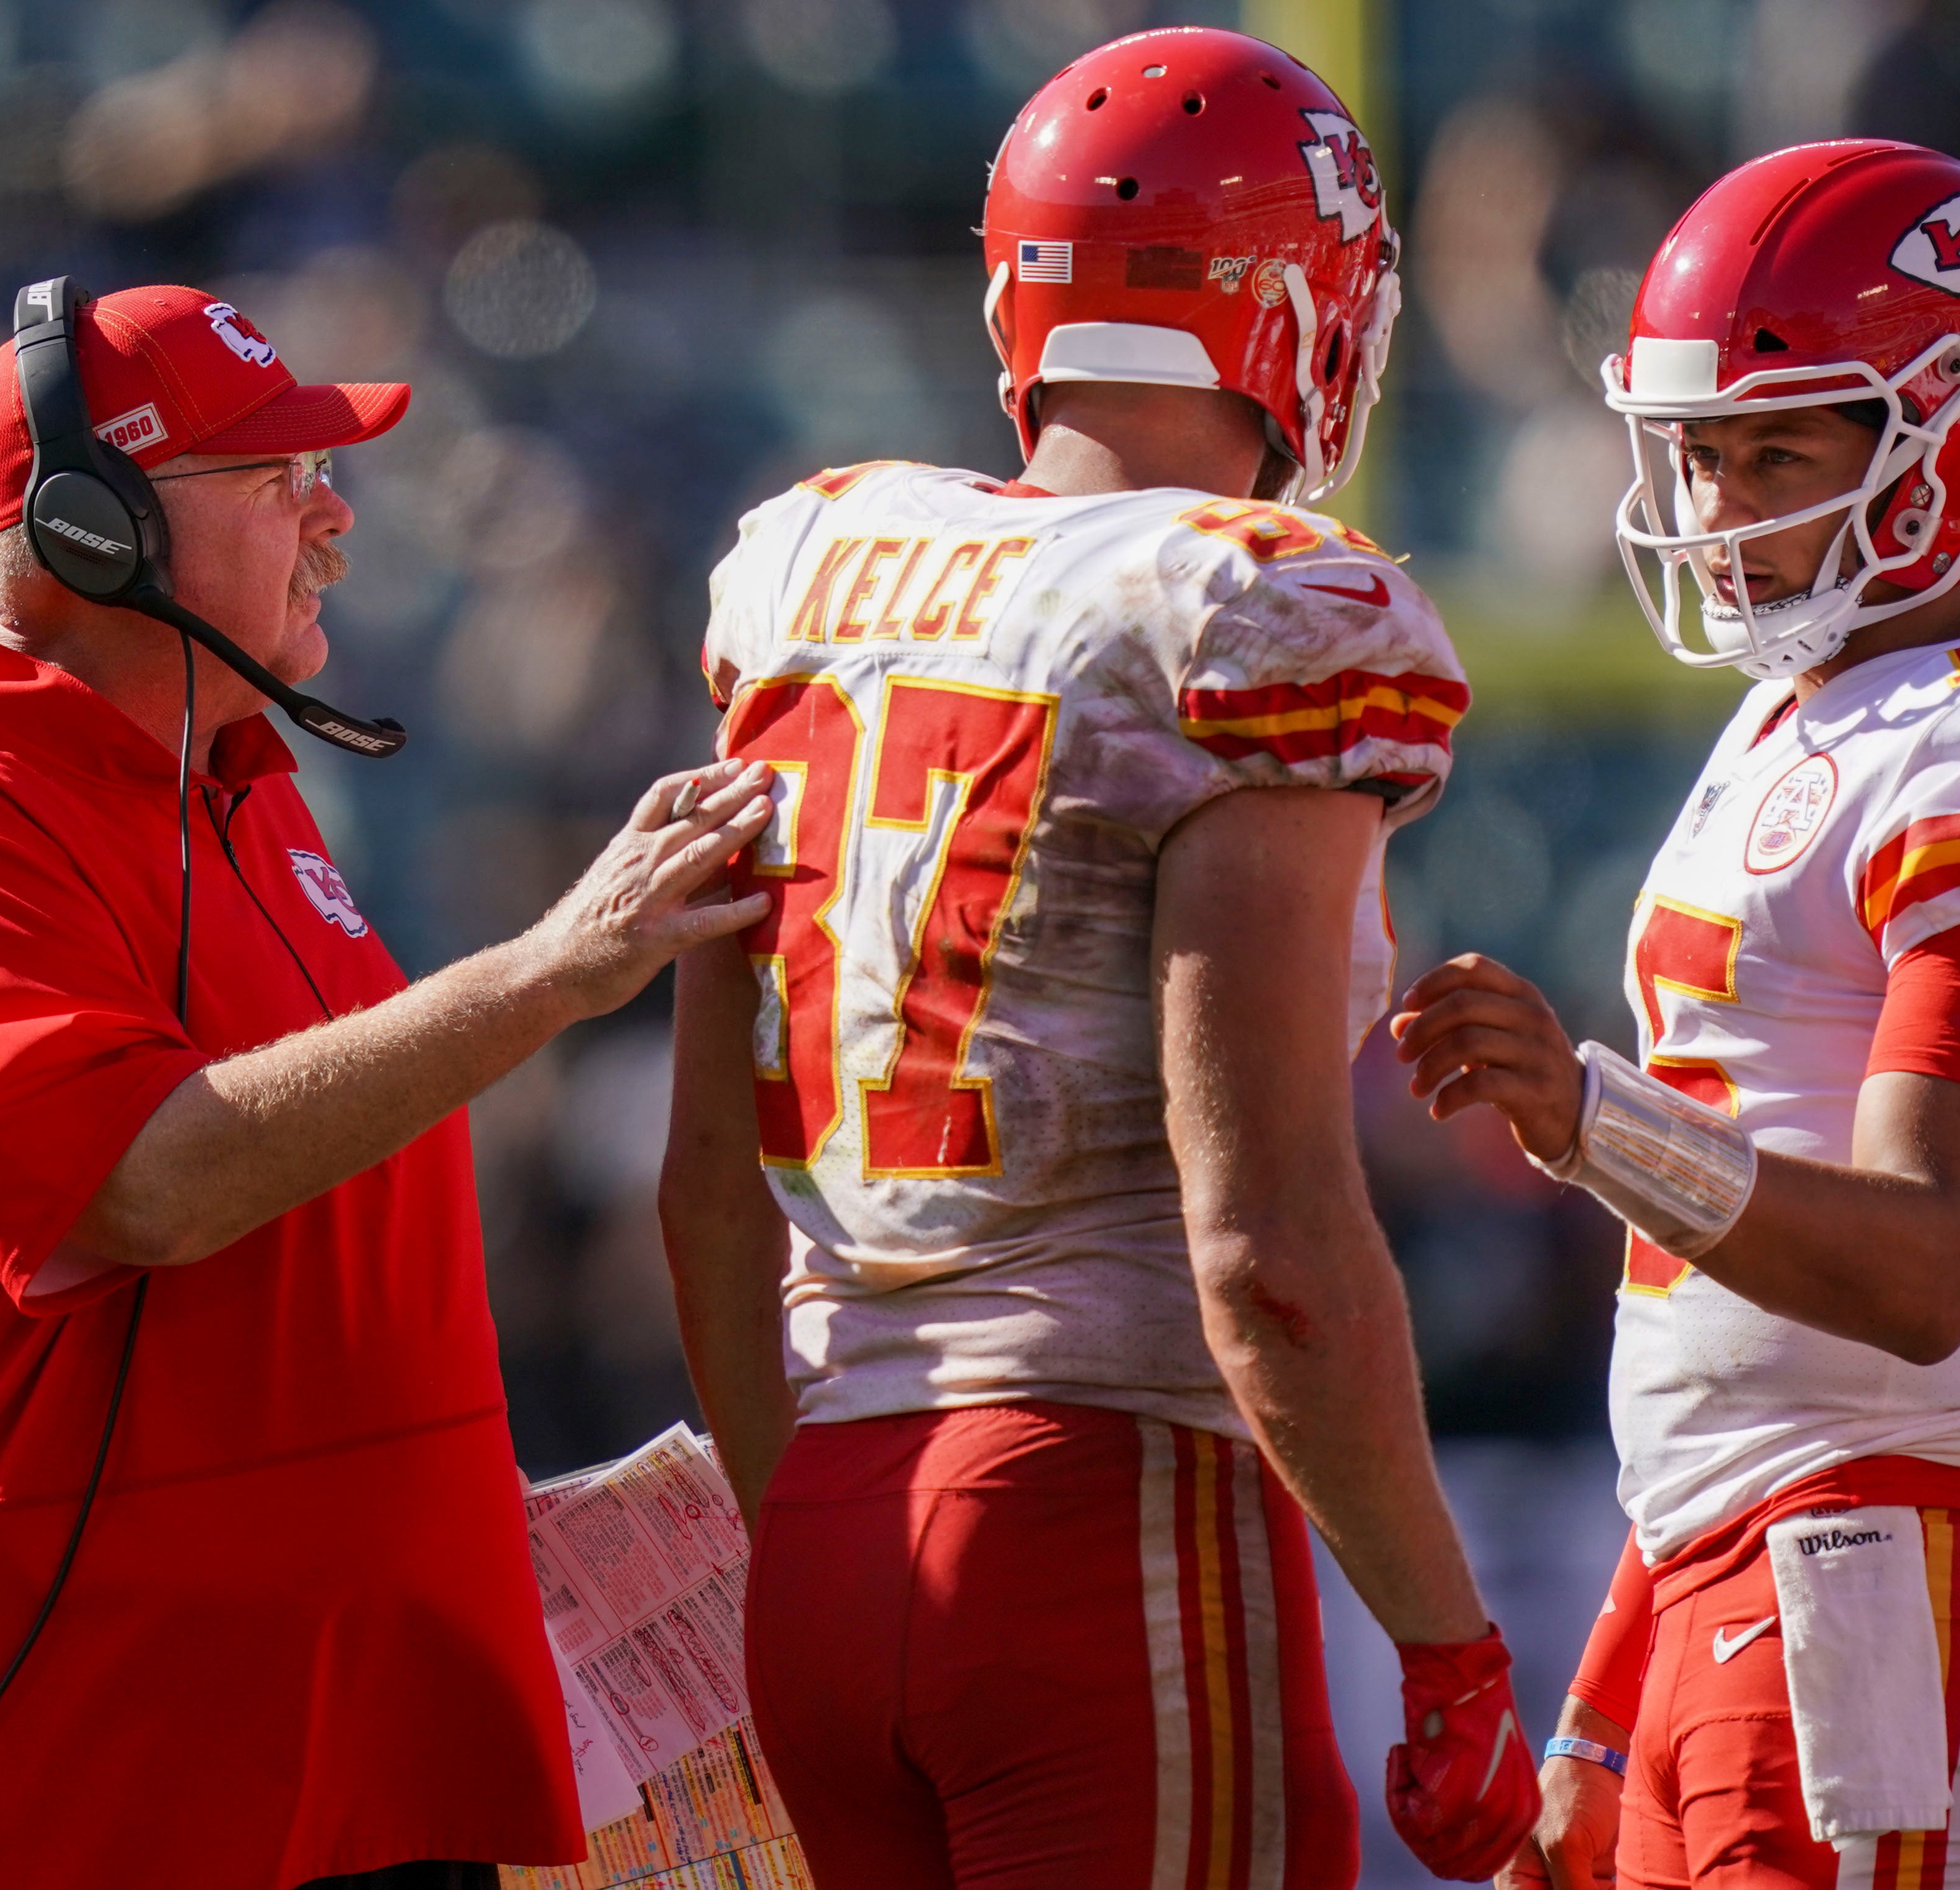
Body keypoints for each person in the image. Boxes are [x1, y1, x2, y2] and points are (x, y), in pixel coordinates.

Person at [0, 283, 774, 1889]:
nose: (336, 516)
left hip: (310, 1739)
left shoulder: (245, 794)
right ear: (96, 533)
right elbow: (140, 1183)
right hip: (26, 1753)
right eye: (278, 479)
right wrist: (545, 972)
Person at [655, 27, 1538, 1889]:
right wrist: (1451, 1645)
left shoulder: (807, 564)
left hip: (822, 1525)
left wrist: (806, 1530)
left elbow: (707, 1199)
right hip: (1098, 1516)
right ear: (1303, 313)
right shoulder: (1256, 597)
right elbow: (1267, 1246)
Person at [1395, 144, 1960, 1888]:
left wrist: (1589, 1122)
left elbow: (1924, 1266)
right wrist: (1607, 1707)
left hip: (1906, 1561)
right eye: (1695, 456)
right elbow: (1726, 1365)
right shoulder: (1806, 718)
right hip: (1751, 1558)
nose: (1720, 512)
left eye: (1776, 453)